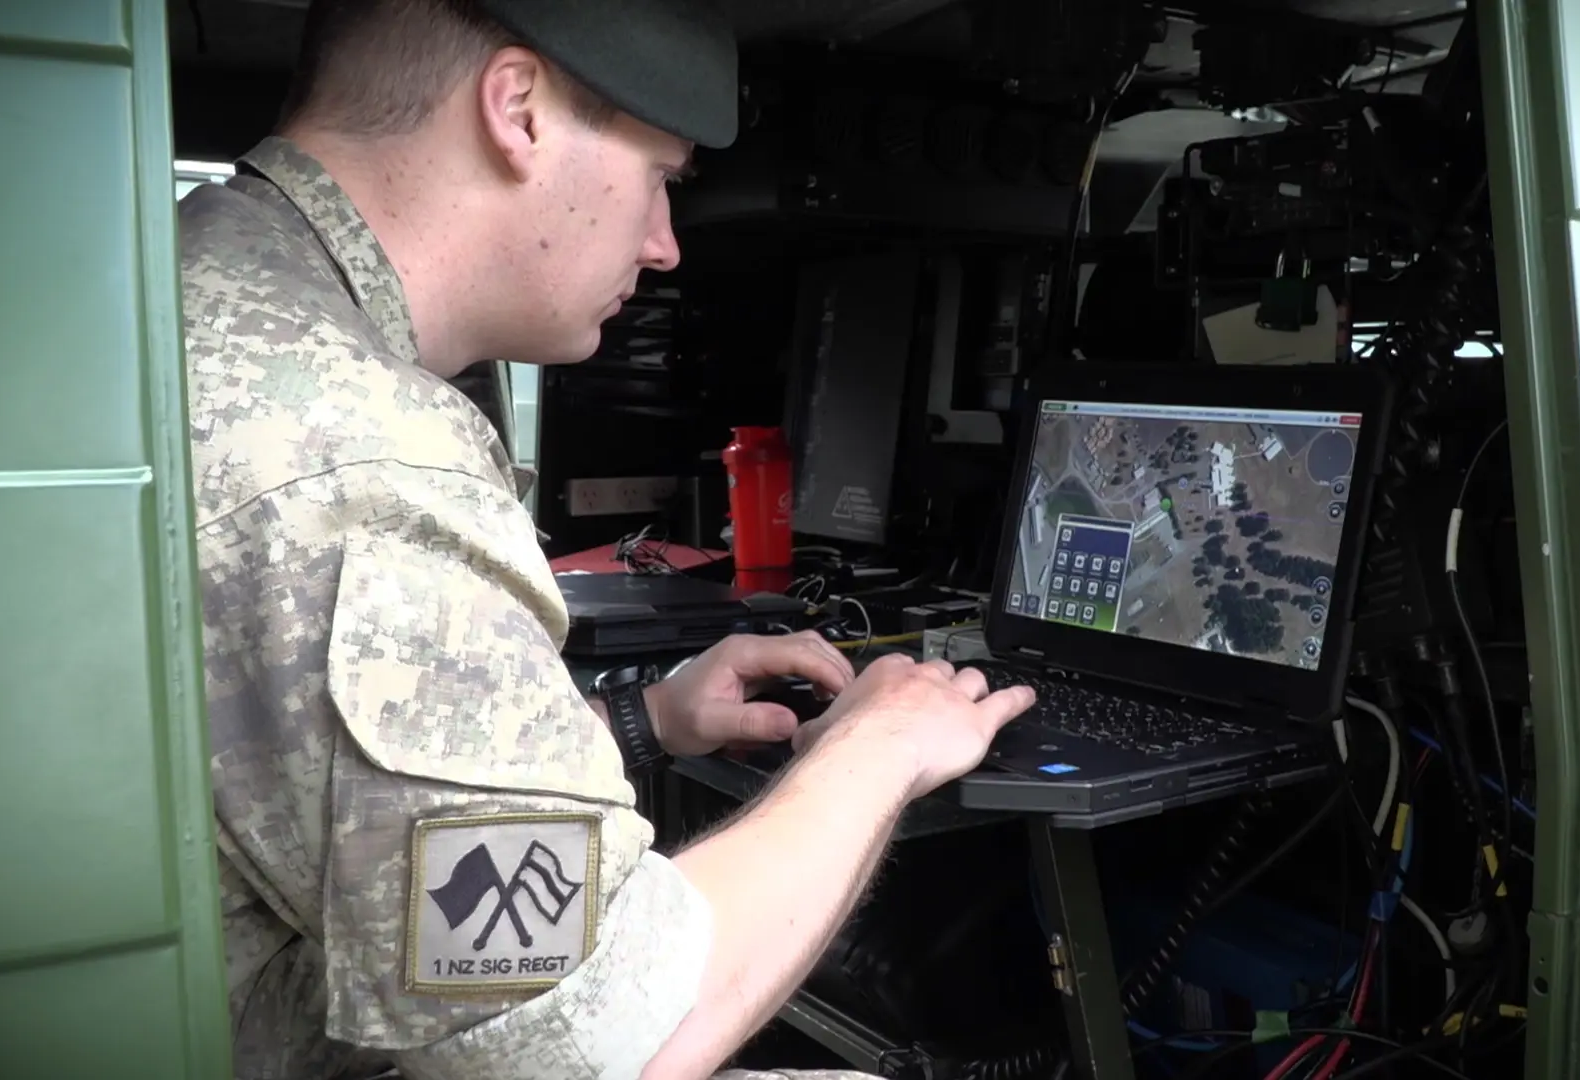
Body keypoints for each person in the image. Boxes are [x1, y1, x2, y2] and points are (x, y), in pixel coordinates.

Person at [181, 1, 1037, 1078]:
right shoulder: (360, 451)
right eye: (662, 178)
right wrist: (883, 746)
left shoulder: (204, 275)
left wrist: (640, 723)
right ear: (519, 111)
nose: (666, 244)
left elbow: (315, 793)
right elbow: (599, 1050)